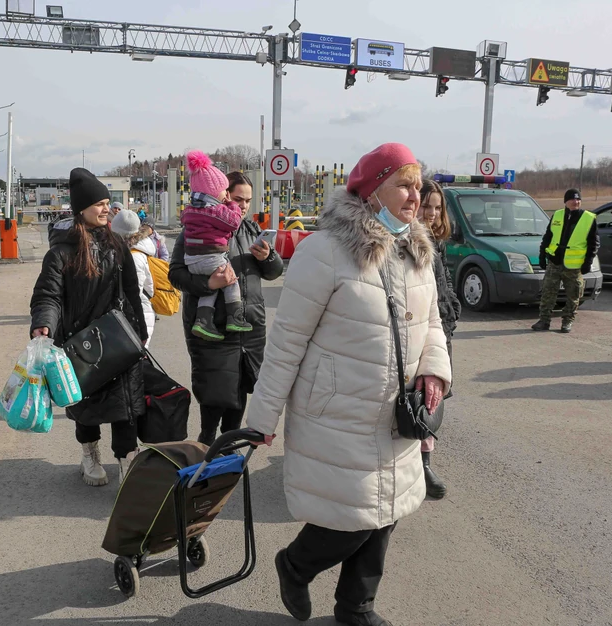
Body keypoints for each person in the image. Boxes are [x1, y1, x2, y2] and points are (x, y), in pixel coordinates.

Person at [245, 143, 451, 626]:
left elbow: (434, 323)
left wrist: (434, 371)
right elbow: (286, 343)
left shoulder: (416, 249)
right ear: (371, 188)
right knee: (351, 520)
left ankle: (356, 607)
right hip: (338, 415)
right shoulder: (324, 252)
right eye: (403, 184)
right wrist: (262, 419)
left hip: (397, 413)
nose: (414, 196)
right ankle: (294, 566)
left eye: (418, 186)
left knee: (387, 513)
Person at [30, 168, 147, 488]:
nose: (106, 208)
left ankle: (126, 460)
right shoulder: (61, 253)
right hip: (79, 344)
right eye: (99, 203)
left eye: (108, 202)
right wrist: (43, 325)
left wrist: (141, 332)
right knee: (86, 409)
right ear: (81, 209)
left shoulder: (118, 246)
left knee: (126, 407)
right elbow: (48, 296)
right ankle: (90, 454)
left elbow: (132, 292)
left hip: (119, 339)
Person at [169, 170, 283, 446]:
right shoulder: (196, 228)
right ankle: (207, 442)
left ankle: (229, 445)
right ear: (223, 196)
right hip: (212, 329)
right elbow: (176, 274)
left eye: (248, 200)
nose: (244, 206)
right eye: (238, 198)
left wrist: (269, 258)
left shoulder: (251, 230)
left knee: (240, 390)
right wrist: (210, 282)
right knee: (215, 392)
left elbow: (274, 272)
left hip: (248, 327)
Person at [417, 179, 462, 500]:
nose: (432, 213)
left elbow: (442, 283)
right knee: (415, 402)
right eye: (426, 205)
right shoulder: (404, 242)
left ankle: (425, 462)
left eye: (437, 207)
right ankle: (417, 465)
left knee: (433, 402)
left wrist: (452, 309)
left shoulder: (437, 242)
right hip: (417, 334)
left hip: (440, 331)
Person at [179, 150, 252, 340]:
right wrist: (230, 205)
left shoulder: (190, 211)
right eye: (226, 192)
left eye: (247, 201)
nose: (227, 195)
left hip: (193, 259)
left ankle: (203, 321)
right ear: (214, 192)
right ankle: (235, 317)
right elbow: (234, 222)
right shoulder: (215, 211)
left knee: (212, 286)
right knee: (230, 281)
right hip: (211, 255)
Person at [532, 188, 599, 334]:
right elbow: (548, 237)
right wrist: (542, 255)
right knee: (548, 293)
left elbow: (593, 243)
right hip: (555, 262)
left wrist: (588, 262)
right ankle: (544, 321)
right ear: (566, 202)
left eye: (578, 199)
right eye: (572, 199)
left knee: (573, 295)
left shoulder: (588, 218)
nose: (576, 202)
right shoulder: (557, 215)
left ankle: (567, 321)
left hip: (574, 266)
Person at [111, 209, 157, 348]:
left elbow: (134, 293)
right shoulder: (130, 251)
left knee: (136, 358)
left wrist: (140, 327)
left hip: (138, 316)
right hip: (134, 315)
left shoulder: (134, 256)